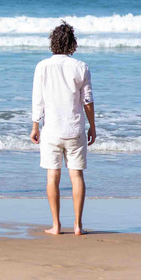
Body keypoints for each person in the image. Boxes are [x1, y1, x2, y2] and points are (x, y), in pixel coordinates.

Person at [30, 22, 96, 235]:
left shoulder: (42, 66)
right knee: (76, 176)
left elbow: (37, 100)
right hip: (75, 128)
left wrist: (35, 125)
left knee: (52, 176)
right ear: (72, 44)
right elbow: (87, 101)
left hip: (51, 129)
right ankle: (78, 226)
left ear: (53, 43)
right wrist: (93, 126)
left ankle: (56, 225)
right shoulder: (81, 67)